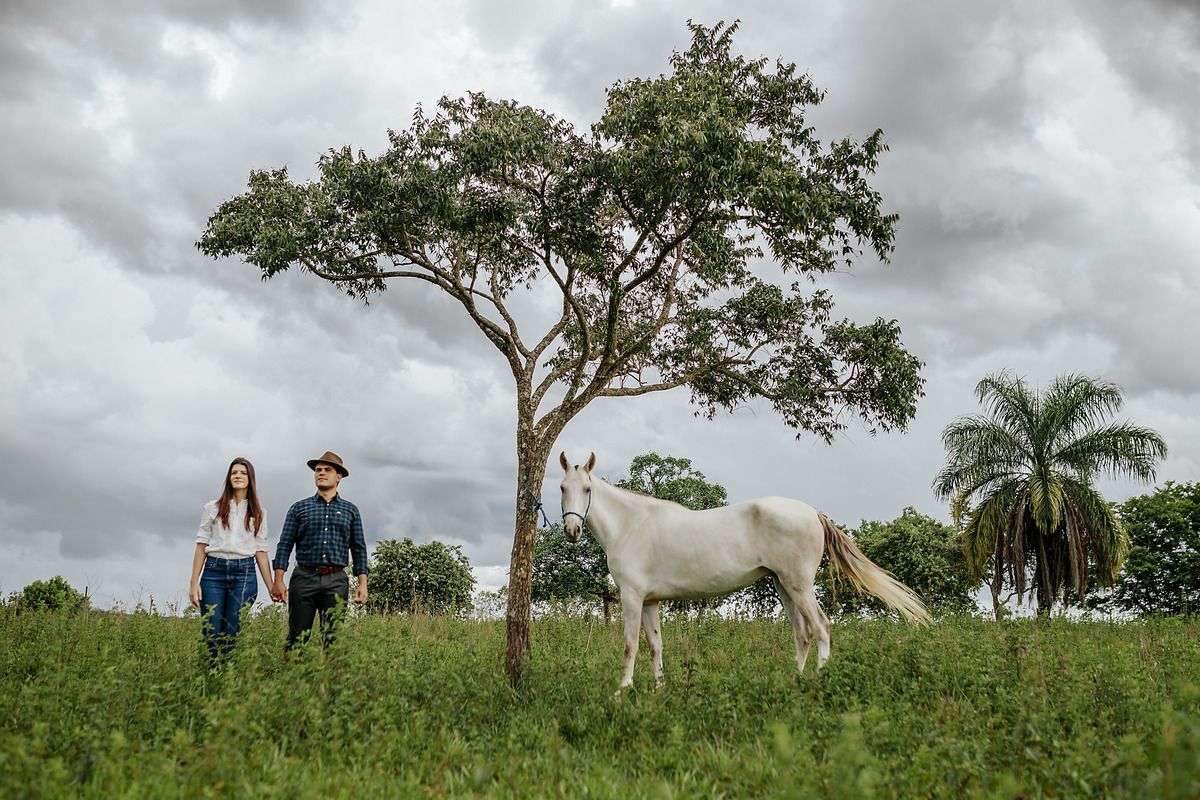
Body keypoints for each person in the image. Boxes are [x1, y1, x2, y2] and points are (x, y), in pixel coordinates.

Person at [272, 451, 369, 649]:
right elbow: (284, 544)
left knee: (333, 639)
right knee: (297, 636)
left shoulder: (351, 510)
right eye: (318, 470)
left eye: (327, 470)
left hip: (336, 579)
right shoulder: (299, 508)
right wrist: (278, 580)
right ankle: (293, 678)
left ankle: (330, 679)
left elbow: (359, 548)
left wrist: (362, 584)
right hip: (303, 578)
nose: (321, 473)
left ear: (338, 476)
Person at [189, 457, 273, 667]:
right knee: (211, 632)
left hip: (243, 574)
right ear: (229, 477)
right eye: (234, 472)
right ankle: (210, 682)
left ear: (250, 479)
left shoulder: (258, 513)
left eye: (243, 473)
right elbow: (202, 544)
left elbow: (260, 551)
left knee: (231, 632)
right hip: (213, 572)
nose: (238, 476)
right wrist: (194, 581)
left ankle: (227, 682)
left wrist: (272, 586)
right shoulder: (213, 508)